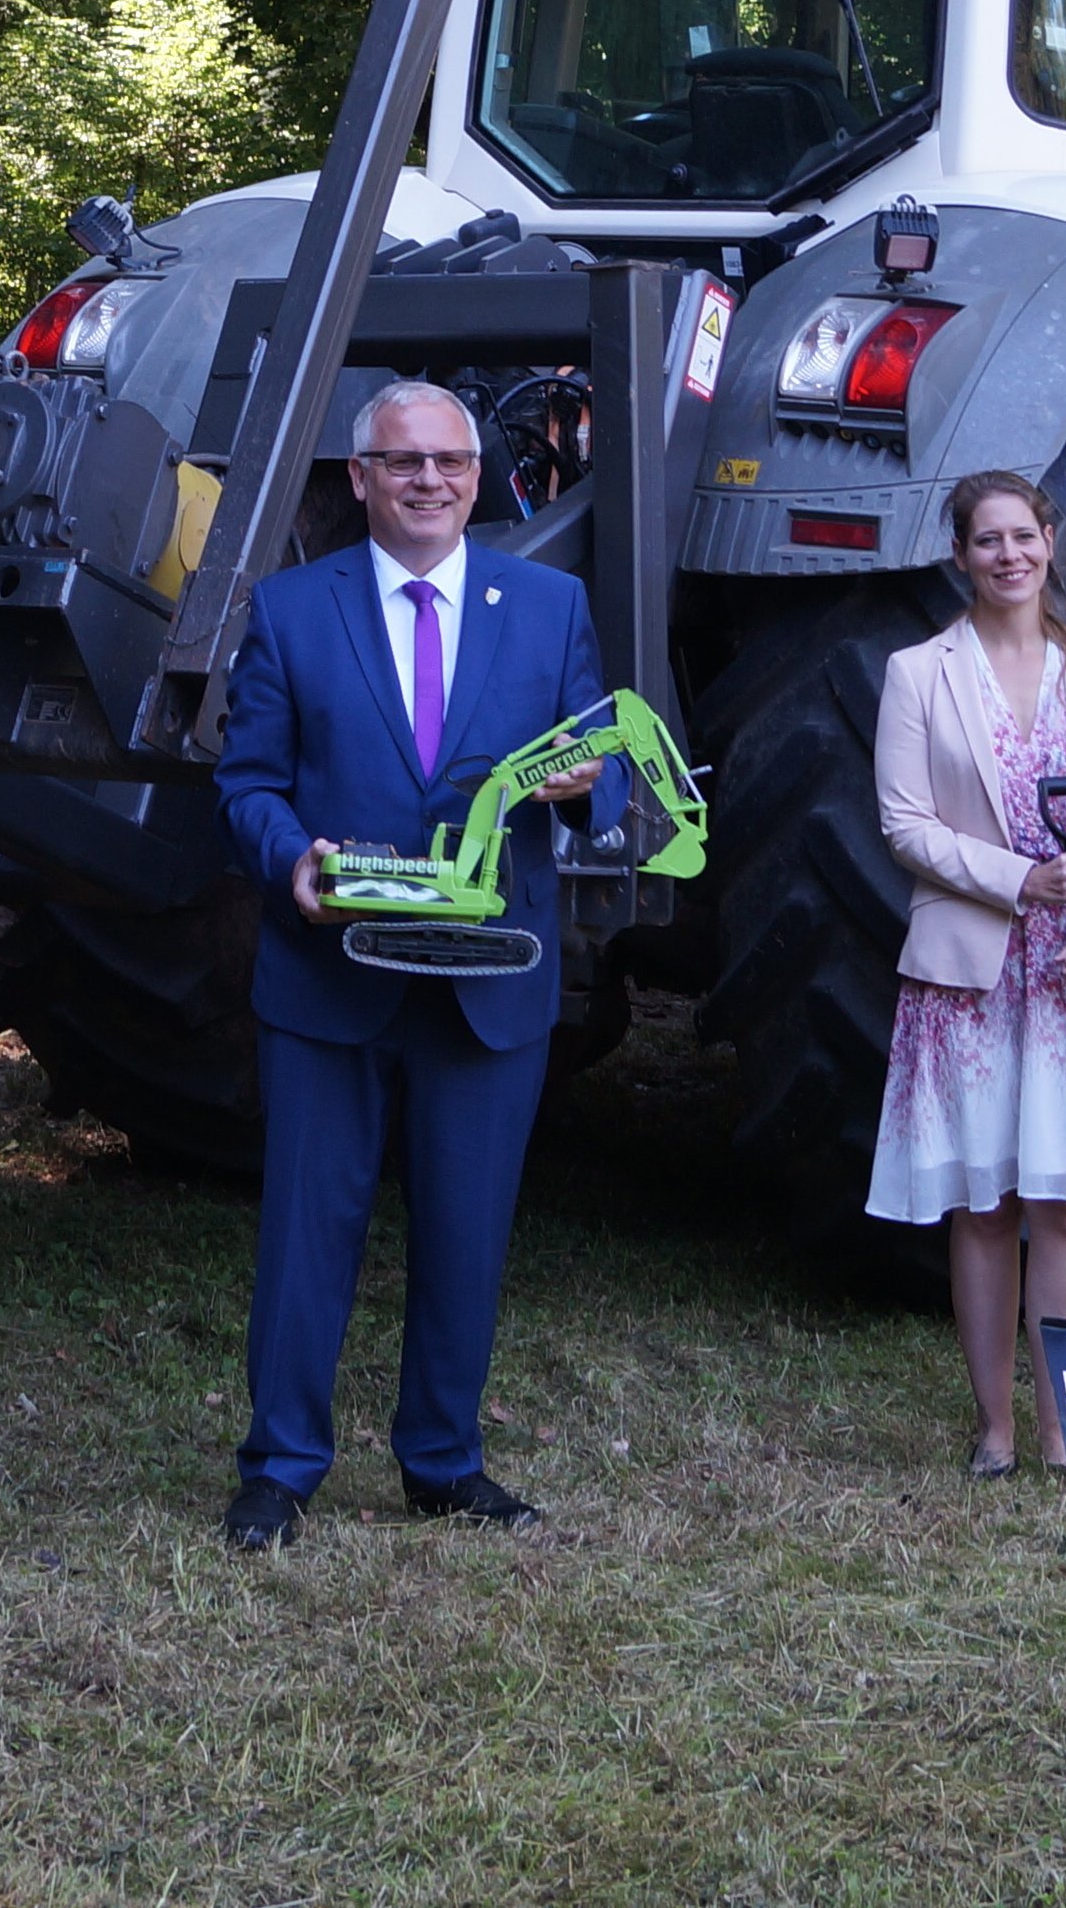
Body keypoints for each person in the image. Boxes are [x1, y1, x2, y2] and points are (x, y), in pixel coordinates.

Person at [210, 379, 607, 1550]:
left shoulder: (549, 604)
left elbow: (604, 765)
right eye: (401, 461)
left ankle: (442, 1461)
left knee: (466, 1231)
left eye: (448, 460)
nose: (427, 479)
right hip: (331, 974)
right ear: (359, 477)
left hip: (487, 983)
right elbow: (245, 784)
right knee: (303, 1235)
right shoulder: (289, 609)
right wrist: (289, 861)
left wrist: (593, 784)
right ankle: (279, 1468)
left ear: (478, 477)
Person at [867, 470, 1066, 1475]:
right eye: (986, 540)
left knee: (1058, 1201)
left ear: (1050, 542)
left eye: (1023, 535)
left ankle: (1058, 1425)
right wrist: (1023, 880)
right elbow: (903, 823)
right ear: (959, 555)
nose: (1007, 555)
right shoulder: (919, 673)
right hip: (970, 974)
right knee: (983, 1203)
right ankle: (994, 1425)